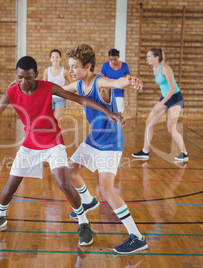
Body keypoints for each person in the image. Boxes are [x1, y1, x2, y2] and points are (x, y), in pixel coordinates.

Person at [0, 56, 136, 246]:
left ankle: (84, 222)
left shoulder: (47, 87)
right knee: (9, 188)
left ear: (35, 75)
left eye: (28, 77)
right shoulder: (10, 93)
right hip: (30, 144)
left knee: (63, 182)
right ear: (16, 75)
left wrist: (109, 113)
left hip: (53, 141)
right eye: (20, 77)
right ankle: (0, 216)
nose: (24, 81)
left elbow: (80, 99)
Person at [63, 44, 148, 254]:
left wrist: (131, 79)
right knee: (70, 170)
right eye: (70, 67)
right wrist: (28, 85)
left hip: (111, 143)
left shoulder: (99, 81)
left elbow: (117, 81)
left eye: (74, 67)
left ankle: (136, 237)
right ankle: (88, 200)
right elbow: (55, 90)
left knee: (107, 189)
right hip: (94, 139)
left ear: (87, 66)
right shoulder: (78, 85)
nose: (71, 71)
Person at [132, 48, 188, 162]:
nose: (147, 58)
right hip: (165, 98)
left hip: (175, 98)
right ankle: (145, 151)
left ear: (157, 57)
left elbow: (172, 89)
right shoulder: (155, 69)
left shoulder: (166, 68)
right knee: (149, 122)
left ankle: (184, 153)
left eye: (149, 56)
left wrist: (161, 104)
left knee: (171, 128)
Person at [43, 49, 73, 120]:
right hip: (49, 98)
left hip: (60, 98)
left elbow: (72, 85)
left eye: (57, 57)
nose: (55, 59)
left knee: (56, 121)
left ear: (60, 59)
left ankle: (57, 131)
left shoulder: (65, 71)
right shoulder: (46, 71)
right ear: (50, 59)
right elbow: (43, 87)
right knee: (48, 120)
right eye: (53, 57)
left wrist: (71, 97)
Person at [100, 49, 131, 114]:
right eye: (111, 59)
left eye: (115, 59)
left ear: (118, 57)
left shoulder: (125, 66)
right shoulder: (105, 66)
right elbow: (101, 81)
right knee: (108, 115)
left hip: (119, 94)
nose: (113, 61)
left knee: (119, 115)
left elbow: (127, 83)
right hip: (108, 94)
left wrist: (127, 99)